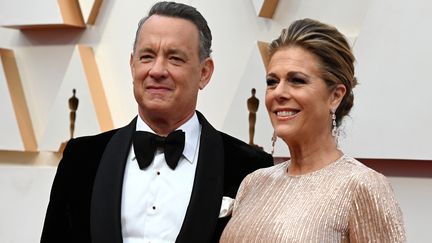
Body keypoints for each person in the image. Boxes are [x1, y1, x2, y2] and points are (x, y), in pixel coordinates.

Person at [40, 2, 273, 243]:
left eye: (175, 58)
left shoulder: (250, 169)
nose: (157, 70)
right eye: (147, 56)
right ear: (133, 65)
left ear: (204, 73)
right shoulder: (80, 158)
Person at [220, 18, 406, 242]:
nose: (278, 92)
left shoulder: (361, 186)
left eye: (296, 80)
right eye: (272, 81)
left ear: (335, 96)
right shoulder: (253, 183)